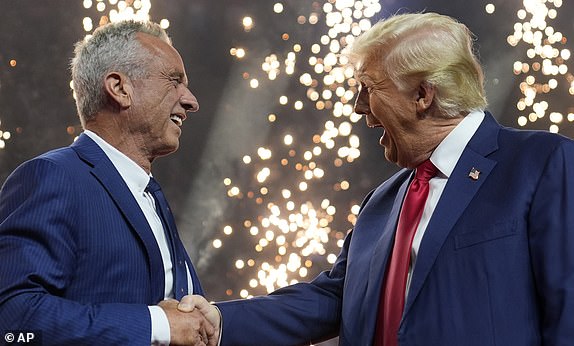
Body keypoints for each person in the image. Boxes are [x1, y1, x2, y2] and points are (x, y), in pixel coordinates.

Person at [179, 12, 574, 345]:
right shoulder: (382, 202)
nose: (357, 107)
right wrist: (217, 320)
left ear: (423, 94)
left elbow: (567, 306)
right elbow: (332, 298)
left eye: (369, 88)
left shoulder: (542, 162)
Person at [0, 20, 216, 345]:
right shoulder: (53, 177)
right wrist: (156, 325)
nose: (191, 101)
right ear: (119, 88)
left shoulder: (152, 199)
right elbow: (11, 319)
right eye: (174, 82)